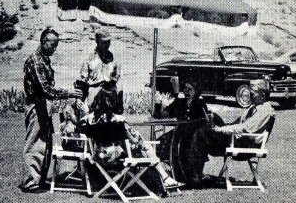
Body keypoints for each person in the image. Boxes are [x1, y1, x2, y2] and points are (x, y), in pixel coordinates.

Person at [78, 86, 182, 191]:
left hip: (100, 156)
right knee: (146, 148)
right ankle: (164, 179)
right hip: (115, 156)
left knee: (143, 148)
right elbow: (134, 139)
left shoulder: (89, 119)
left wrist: (87, 112)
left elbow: (80, 128)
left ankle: (163, 180)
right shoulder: (117, 120)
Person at [19, 27, 82, 193]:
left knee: (46, 143)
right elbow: (44, 89)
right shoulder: (35, 61)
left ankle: (39, 180)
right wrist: (68, 92)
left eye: (56, 45)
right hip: (37, 105)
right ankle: (31, 182)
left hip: (45, 105)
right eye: (52, 44)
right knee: (35, 143)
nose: (54, 48)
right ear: (43, 41)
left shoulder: (44, 60)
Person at [183, 79, 276, 187]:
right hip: (239, 139)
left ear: (262, 94)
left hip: (244, 144)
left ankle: (195, 176)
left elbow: (245, 128)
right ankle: (195, 174)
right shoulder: (255, 107)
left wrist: (221, 129)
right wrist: (220, 125)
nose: (250, 96)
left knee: (201, 133)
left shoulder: (265, 110)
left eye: (252, 93)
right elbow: (238, 123)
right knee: (204, 127)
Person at [77, 30, 122, 106]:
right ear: (97, 42)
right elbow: (83, 82)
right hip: (93, 96)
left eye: (108, 42)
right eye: (104, 42)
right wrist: (80, 101)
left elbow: (117, 80)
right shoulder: (88, 59)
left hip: (110, 96)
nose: (107, 44)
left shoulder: (114, 60)